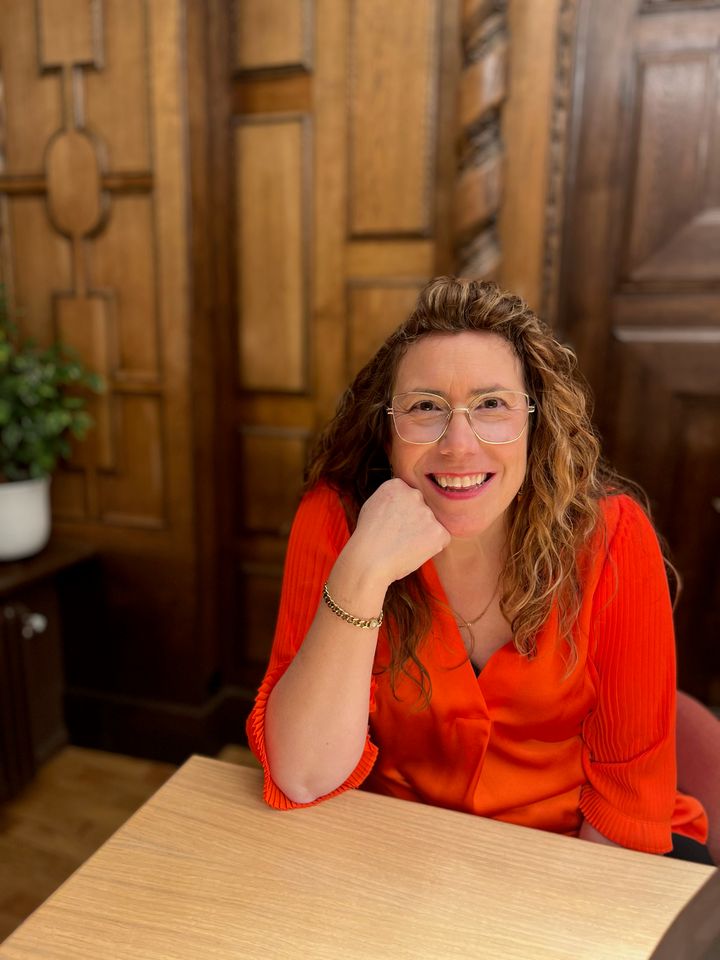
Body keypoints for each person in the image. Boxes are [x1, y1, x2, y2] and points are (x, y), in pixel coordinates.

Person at [246, 276, 710, 861]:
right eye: (425, 407)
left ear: (535, 425)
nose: (459, 445)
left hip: (572, 854)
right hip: (402, 851)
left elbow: (628, 801)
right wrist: (361, 575)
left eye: (491, 405)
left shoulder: (612, 538)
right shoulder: (335, 520)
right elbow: (302, 774)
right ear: (386, 433)